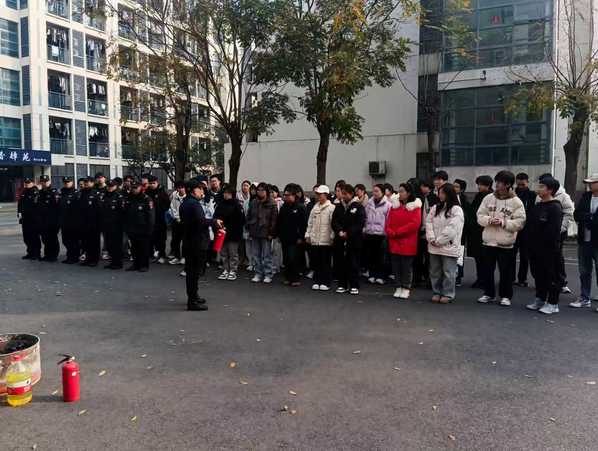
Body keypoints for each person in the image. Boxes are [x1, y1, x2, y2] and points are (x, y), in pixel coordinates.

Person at [476, 171, 526, 306]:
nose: (497, 184)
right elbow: (479, 216)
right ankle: (488, 294)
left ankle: (506, 296)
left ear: (508, 184)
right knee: (487, 270)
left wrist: (504, 223)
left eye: (500, 182)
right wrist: (489, 220)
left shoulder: (516, 201)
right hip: (488, 241)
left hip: (506, 243)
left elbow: (520, 222)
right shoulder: (488, 198)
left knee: (506, 272)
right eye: (496, 181)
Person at [180, 180, 223, 311]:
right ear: (193, 190)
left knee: (193, 272)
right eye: (200, 189)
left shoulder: (187, 203)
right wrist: (214, 222)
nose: (202, 192)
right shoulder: (193, 204)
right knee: (193, 273)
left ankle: (194, 296)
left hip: (191, 242)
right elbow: (201, 222)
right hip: (196, 243)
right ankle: (192, 301)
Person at [525, 177, 563, 315]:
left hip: (549, 249)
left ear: (550, 190)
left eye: (542, 187)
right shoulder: (538, 206)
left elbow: (553, 231)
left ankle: (553, 303)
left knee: (551, 276)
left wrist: (544, 244)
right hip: (534, 248)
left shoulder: (555, 207)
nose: (538, 189)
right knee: (538, 275)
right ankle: (540, 298)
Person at [537, 173, 575, 295]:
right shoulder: (539, 197)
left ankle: (561, 282)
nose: (539, 188)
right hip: (542, 233)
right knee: (542, 259)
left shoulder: (563, 196)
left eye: (542, 185)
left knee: (557, 258)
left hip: (558, 232)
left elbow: (569, 213)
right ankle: (544, 284)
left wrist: (560, 228)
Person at [426, 184, 464, 304]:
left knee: (449, 272)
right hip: (434, 245)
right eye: (439, 192)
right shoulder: (435, 207)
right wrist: (431, 238)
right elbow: (428, 223)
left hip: (449, 246)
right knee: (435, 271)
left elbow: (453, 228)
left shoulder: (456, 209)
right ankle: (436, 292)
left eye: (442, 193)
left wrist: (439, 240)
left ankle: (448, 294)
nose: (440, 195)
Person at [386, 184, 422, 299]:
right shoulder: (395, 206)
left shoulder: (415, 207)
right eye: (399, 191)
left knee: (406, 266)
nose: (399, 193)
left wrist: (397, 232)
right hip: (394, 240)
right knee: (396, 266)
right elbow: (388, 221)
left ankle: (406, 287)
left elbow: (415, 224)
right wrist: (389, 230)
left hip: (407, 241)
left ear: (408, 193)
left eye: (402, 191)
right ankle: (398, 286)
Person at [570, 173, 598, 309]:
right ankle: (584, 297)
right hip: (584, 239)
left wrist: (590, 218)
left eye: (592, 182)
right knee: (584, 270)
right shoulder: (586, 196)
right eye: (588, 183)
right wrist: (590, 217)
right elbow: (577, 214)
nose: (589, 185)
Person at [333, 184, 366, 295]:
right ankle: (342, 284)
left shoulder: (358, 207)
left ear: (351, 194)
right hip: (340, 239)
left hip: (354, 240)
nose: (342, 196)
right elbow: (334, 221)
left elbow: (360, 223)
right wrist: (339, 231)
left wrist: (349, 233)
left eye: (345, 194)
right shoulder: (338, 206)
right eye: (342, 194)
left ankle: (354, 285)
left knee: (353, 263)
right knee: (341, 262)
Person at [276, 184, 308, 286]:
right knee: (286, 258)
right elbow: (279, 222)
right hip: (285, 237)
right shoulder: (283, 208)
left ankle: (295, 278)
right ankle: (287, 277)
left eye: (288, 195)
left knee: (293, 258)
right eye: (285, 195)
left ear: (294, 195)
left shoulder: (300, 207)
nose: (286, 197)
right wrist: (278, 234)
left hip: (296, 238)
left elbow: (304, 224)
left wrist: (301, 237)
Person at [247, 182, 278, 283]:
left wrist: (271, 233)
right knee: (256, 255)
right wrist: (249, 227)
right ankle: (258, 273)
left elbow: (274, 220)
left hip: (266, 232)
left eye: (262, 190)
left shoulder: (272, 203)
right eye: (258, 190)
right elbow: (249, 215)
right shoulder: (254, 202)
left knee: (266, 255)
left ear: (267, 191)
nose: (260, 192)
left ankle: (268, 274)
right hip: (255, 231)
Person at [305, 185, 335, 291]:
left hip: (326, 240)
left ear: (326, 195)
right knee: (316, 262)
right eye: (317, 194)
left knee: (325, 262)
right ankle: (317, 281)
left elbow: (333, 224)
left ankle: (325, 282)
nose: (318, 196)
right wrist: (308, 234)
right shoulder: (315, 207)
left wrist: (332, 237)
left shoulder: (331, 208)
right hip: (315, 239)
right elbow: (310, 223)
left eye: (320, 194)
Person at [466, 175, 493, 288]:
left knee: (484, 258)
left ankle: (484, 279)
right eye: (478, 184)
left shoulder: (489, 197)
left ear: (488, 185)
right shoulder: (479, 195)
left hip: (483, 230)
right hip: (476, 231)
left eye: (481, 184)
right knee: (479, 257)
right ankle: (481, 278)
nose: (479, 186)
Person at [214, 185, 246, 281]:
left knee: (233, 253)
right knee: (223, 253)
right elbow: (215, 217)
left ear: (232, 194)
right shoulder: (220, 204)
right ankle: (225, 269)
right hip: (222, 231)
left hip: (233, 233)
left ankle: (233, 270)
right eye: (224, 193)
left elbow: (242, 220)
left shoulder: (237, 205)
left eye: (228, 193)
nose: (225, 195)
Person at [363, 184, 390, 284]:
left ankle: (381, 276)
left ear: (382, 192)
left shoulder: (388, 205)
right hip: (370, 232)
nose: (375, 193)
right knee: (371, 255)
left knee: (381, 256)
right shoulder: (369, 203)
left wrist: (386, 232)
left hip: (381, 234)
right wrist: (365, 228)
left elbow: (389, 219)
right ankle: (372, 275)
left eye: (377, 191)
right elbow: (365, 217)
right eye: (374, 191)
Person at [125, 181, 155, 272]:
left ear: (140, 188)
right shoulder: (129, 198)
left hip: (143, 228)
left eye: (136, 188)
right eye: (133, 188)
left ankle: (144, 265)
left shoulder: (146, 199)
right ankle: (136, 264)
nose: (134, 189)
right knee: (134, 248)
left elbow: (151, 215)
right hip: (132, 227)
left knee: (144, 248)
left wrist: (149, 229)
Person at [512, 173, 536, 287]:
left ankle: (522, 279)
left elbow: (533, 211)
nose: (521, 186)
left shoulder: (532, 195)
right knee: (510, 254)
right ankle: (511, 277)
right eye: (519, 184)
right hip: (513, 228)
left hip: (526, 229)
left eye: (523, 184)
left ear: (527, 182)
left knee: (524, 256)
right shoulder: (512, 194)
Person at [414, 181, 438, 285]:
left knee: (429, 257)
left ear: (429, 188)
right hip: (420, 230)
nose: (422, 188)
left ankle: (428, 278)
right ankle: (418, 277)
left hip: (429, 230)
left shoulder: (434, 198)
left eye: (424, 186)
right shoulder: (419, 198)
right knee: (418, 256)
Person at [100, 179, 126, 269]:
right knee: (109, 244)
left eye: (111, 186)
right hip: (106, 224)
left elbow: (123, 212)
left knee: (116, 245)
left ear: (115, 186)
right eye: (108, 186)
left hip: (116, 225)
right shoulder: (104, 195)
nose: (109, 188)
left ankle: (118, 263)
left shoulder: (119, 196)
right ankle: (112, 262)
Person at [145, 175, 170, 264]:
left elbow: (167, 205)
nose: (152, 185)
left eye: (153, 183)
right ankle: (152, 254)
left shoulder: (162, 192)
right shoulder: (147, 192)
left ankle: (162, 255)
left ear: (157, 182)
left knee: (161, 239)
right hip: (150, 219)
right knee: (151, 238)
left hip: (160, 219)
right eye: (150, 183)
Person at [78, 177, 102, 267]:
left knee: (94, 242)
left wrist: (99, 223)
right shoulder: (82, 193)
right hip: (84, 222)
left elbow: (99, 209)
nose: (86, 184)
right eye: (85, 182)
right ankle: (87, 258)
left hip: (94, 222)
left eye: (88, 182)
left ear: (92, 183)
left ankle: (94, 259)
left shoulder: (96, 193)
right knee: (85, 242)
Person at [37, 175, 61, 262]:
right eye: (43, 181)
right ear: (41, 182)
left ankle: (53, 255)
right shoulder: (39, 193)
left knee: (52, 238)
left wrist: (57, 221)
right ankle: (47, 255)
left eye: (46, 181)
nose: (44, 183)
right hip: (42, 220)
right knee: (45, 239)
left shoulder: (54, 192)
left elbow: (58, 207)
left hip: (52, 220)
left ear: (49, 182)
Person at [17, 178, 41, 260]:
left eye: (29, 183)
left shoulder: (35, 192)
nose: (27, 184)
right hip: (25, 219)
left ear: (33, 183)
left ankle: (36, 253)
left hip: (33, 219)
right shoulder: (24, 192)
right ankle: (30, 252)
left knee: (34, 237)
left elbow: (37, 206)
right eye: (26, 183)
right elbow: (20, 205)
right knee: (26, 237)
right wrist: (19, 215)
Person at [58, 176, 80, 264]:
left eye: (68, 182)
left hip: (73, 221)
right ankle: (70, 256)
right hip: (64, 220)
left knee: (73, 240)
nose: (67, 183)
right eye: (65, 182)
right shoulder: (61, 192)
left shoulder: (76, 193)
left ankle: (74, 257)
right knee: (65, 240)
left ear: (72, 182)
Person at [453, 179, 469, 286]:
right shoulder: (448, 198)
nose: (454, 188)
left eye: (457, 186)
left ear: (462, 189)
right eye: (453, 186)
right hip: (450, 231)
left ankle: (458, 276)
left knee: (459, 255)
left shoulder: (464, 200)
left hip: (461, 231)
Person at [168, 181, 186, 265]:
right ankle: (177, 256)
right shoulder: (174, 195)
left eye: (182, 187)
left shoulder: (188, 197)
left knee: (185, 241)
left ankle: (184, 257)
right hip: (176, 221)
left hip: (185, 221)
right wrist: (177, 217)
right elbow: (172, 208)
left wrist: (183, 218)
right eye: (179, 188)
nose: (181, 189)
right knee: (176, 240)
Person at [237, 180, 252, 268]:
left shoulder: (251, 196)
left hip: (248, 221)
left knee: (248, 242)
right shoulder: (237, 195)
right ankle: (241, 258)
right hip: (240, 220)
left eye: (247, 185)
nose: (245, 187)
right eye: (243, 185)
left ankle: (249, 260)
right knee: (241, 242)